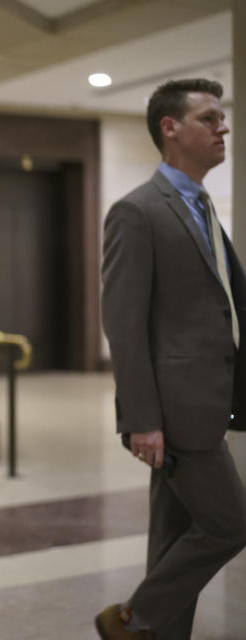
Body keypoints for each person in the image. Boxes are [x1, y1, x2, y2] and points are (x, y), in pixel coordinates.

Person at [97, 78, 246, 639]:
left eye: (222, 118)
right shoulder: (137, 213)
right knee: (231, 525)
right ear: (170, 128)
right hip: (177, 411)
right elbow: (124, 323)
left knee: (172, 534)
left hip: (208, 398)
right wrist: (142, 420)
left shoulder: (202, 205)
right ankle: (130, 620)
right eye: (209, 118)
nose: (223, 127)